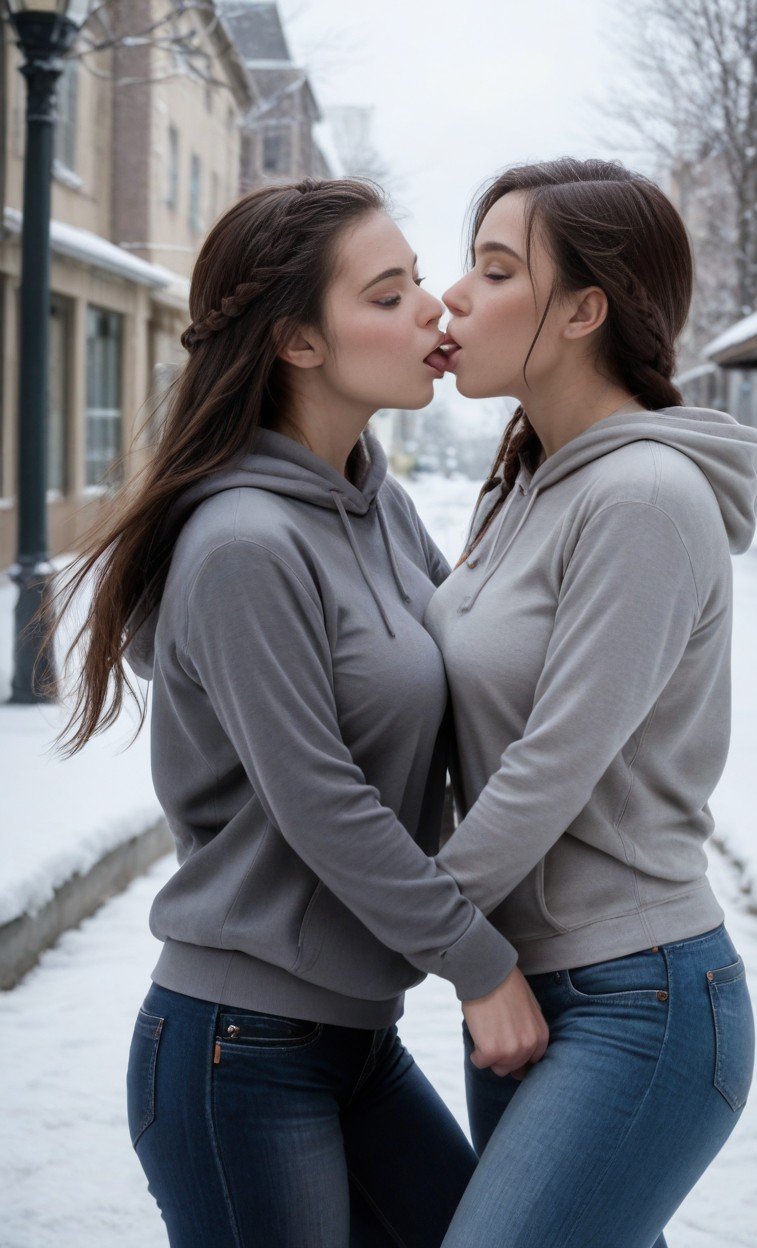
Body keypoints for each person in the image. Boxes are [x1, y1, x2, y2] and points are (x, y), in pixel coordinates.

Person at [45, 178, 549, 1248]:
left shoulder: (379, 506)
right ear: (298, 344)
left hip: (352, 1041)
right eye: (386, 293)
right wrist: (479, 962)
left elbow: (477, 694)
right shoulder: (243, 545)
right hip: (241, 1049)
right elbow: (321, 800)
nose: (431, 309)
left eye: (417, 280)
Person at [425, 158, 757, 1248]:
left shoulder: (643, 497)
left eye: (491, 269)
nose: (453, 297)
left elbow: (547, 767)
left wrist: (401, 931)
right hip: (526, 987)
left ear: (582, 309)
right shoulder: (530, 482)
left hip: (641, 1003)